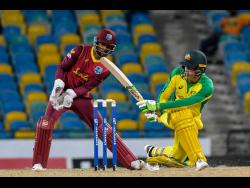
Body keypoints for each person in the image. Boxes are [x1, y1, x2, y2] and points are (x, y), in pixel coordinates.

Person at [32, 28, 144, 171]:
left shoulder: (106, 68)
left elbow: (88, 86)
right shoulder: (80, 51)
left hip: (81, 98)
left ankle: (131, 161)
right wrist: (58, 86)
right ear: (96, 42)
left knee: (102, 127)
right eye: (102, 44)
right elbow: (62, 67)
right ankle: (38, 164)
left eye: (107, 46)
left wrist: (72, 94)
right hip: (61, 93)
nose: (104, 48)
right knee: (45, 124)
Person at [136, 49, 214, 171]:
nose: (186, 70)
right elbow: (164, 95)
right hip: (171, 114)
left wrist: (158, 107)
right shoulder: (177, 73)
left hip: (192, 120)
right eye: (185, 67)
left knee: (178, 157)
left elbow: (187, 102)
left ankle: (153, 154)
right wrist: (159, 111)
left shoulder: (207, 86)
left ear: (200, 70)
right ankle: (199, 159)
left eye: (190, 68)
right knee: (183, 113)